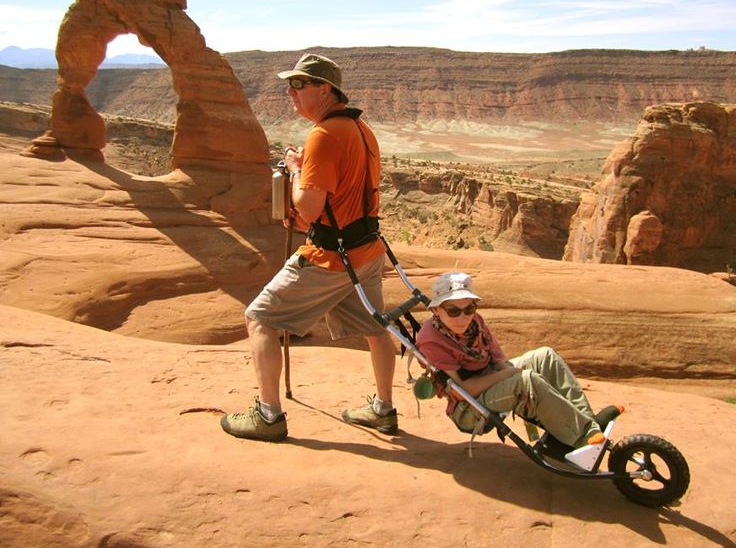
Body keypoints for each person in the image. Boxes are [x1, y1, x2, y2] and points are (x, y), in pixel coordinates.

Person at [221, 53, 398, 441]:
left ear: (326, 90)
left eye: (300, 85)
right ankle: (384, 410)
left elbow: (309, 208)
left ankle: (268, 417)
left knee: (260, 319)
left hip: (330, 258)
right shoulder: (361, 128)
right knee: (375, 326)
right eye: (291, 85)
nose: (291, 92)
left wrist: (298, 169)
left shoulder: (323, 135)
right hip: (367, 250)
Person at [417, 272, 613, 449]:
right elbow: (462, 390)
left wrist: (507, 372)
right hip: (468, 407)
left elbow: (498, 360)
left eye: (469, 309)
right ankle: (582, 438)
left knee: (545, 357)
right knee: (526, 381)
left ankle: (589, 423)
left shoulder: (476, 322)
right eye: (453, 311)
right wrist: (509, 374)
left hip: (490, 381)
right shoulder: (431, 340)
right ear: (436, 310)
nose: (462, 317)